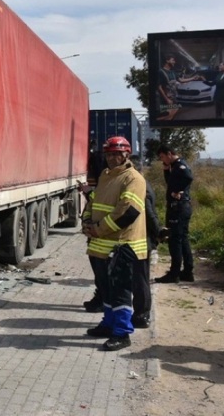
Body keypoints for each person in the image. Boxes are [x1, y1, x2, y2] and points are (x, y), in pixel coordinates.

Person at [81, 136, 147, 351]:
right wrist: (86, 222)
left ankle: (122, 333)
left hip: (122, 246)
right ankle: (108, 324)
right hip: (101, 245)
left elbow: (128, 212)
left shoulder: (133, 179)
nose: (111, 158)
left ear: (126, 154)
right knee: (106, 289)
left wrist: (98, 228)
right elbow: (93, 202)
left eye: (116, 154)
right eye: (108, 154)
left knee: (120, 291)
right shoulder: (105, 175)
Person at [155, 145, 194, 284]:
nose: (162, 160)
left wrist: (177, 191)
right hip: (181, 208)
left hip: (178, 208)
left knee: (174, 240)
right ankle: (188, 271)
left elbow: (188, 177)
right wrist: (166, 171)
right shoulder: (174, 166)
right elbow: (170, 183)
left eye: (162, 157)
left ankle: (174, 273)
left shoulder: (180, 166)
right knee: (182, 239)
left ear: (169, 154)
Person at [132, 180, 162, 329]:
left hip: (142, 241)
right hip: (142, 240)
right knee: (139, 278)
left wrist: (159, 232)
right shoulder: (145, 184)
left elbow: (149, 214)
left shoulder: (141, 188)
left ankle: (142, 315)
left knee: (140, 279)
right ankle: (141, 314)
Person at [157, 55, 203, 121]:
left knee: (173, 113)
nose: (174, 62)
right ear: (167, 61)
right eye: (172, 60)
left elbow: (181, 80)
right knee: (167, 114)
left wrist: (192, 78)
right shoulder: (161, 72)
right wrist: (167, 99)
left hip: (174, 98)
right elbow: (159, 87)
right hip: (166, 100)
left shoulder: (173, 72)